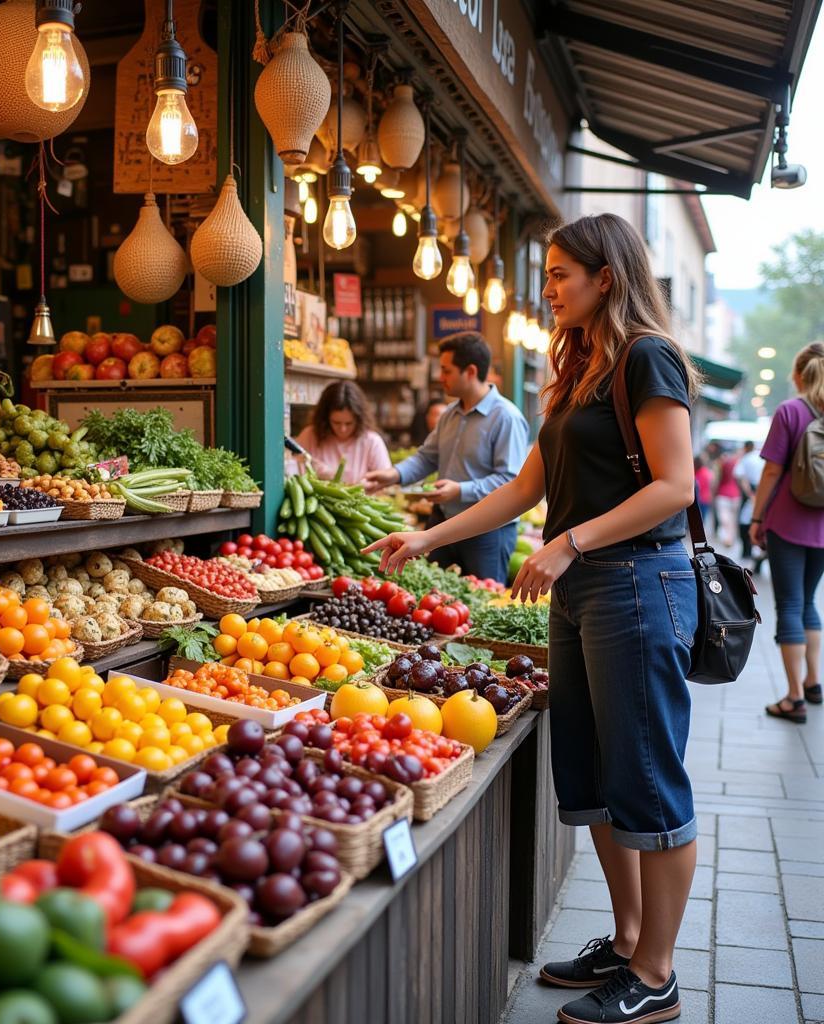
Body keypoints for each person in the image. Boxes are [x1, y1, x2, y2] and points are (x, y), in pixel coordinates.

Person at [366, 214, 700, 1024]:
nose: (547, 288)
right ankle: (625, 943)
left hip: (636, 583)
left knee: (649, 778)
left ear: (606, 277)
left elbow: (676, 486)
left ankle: (656, 974)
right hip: (587, 592)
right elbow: (522, 491)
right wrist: (428, 534)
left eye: (560, 274)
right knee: (589, 773)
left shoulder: (647, 357)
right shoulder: (581, 366)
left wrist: (569, 544)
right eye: (547, 273)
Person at [363, 331, 529, 581]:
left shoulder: (507, 418)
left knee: (483, 602)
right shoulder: (450, 414)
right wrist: (393, 475)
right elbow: (426, 457)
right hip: (442, 523)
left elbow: (511, 481)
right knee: (435, 595)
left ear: (471, 371)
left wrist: (460, 490)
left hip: (488, 533)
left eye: (447, 370)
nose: (441, 378)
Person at [749, 342, 824, 722]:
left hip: (788, 524)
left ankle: (793, 697)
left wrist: (757, 518)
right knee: (809, 601)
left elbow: (772, 471)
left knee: (790, 605)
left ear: (798, 373)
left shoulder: (790, 411)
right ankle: (813, 681)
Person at [292, 380, 391, 485]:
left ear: (359, 419)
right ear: (325, 418)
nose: (343, 429)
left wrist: (365, 486)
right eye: (336, 423)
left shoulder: (372, 441)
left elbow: (385, 482)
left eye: (349, 423)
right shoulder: (310, 435)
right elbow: (293, 472)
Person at [734, 440, 764, 569]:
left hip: (752, 494)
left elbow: (740, 477)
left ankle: (747, 552)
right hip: (765, 494)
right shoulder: (762, 458)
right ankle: (758, 558)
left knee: (745, 523)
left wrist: (749, 494)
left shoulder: (747, 458)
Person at [714, 448, 741, 548]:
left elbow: (716, 481)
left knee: (724, 518)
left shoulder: (721, 465)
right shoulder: (737, 465)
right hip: (735, 495)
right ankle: (730, 538)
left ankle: (727, 538)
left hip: (722, 494)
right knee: (733, 519)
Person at [694, 455, 713, 525]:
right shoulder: (706, 472)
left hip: (701, 499)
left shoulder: (700, 473)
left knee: (699, 519)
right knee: (702, 518)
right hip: (706, 498)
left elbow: (698, 486)